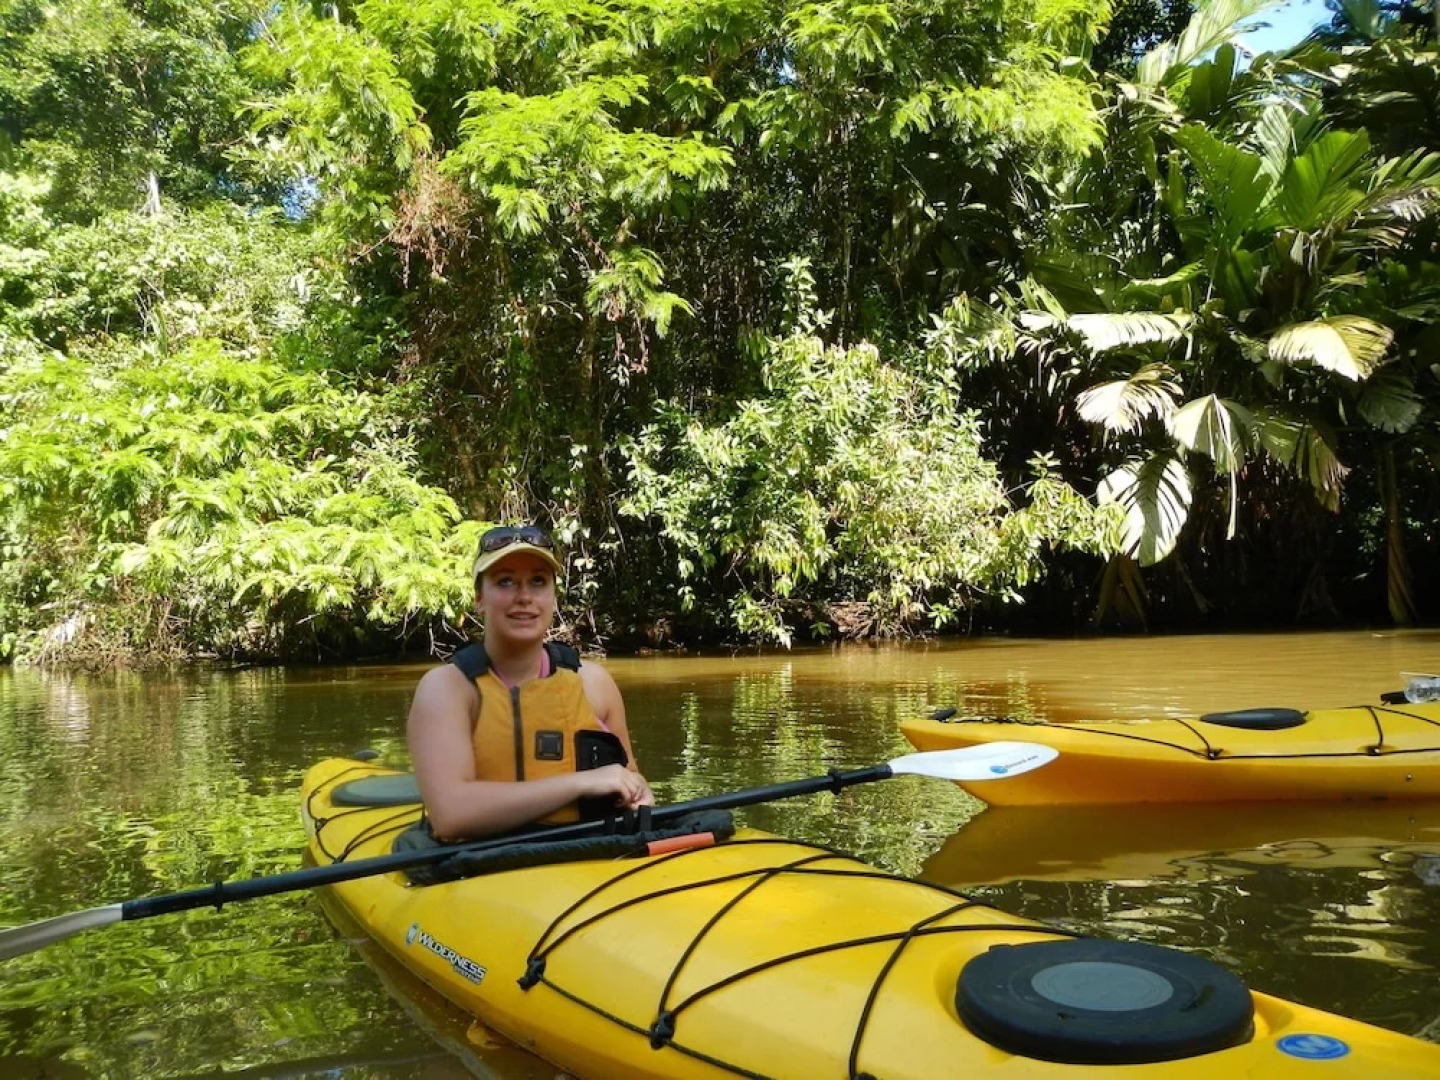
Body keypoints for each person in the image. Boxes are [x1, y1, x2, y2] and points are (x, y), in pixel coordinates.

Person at [408, 523, 654, 840]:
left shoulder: (595, 683)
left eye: (538, 581)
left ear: (553, 596)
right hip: (478, 859)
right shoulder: (446, 690)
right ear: (479, 598)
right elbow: (451, 815)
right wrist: (581, 783)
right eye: (506, 581)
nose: (524, 597)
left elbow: (629, 776)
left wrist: (638, 792)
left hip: (590, 852)